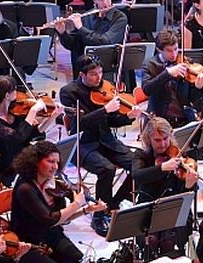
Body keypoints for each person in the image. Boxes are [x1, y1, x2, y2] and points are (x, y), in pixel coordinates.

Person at [9, 141, 117, 263]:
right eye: (50, 161)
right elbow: (49, 219)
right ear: (35, 162)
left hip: (50, 236)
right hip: (26, 245)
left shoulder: (49, 185)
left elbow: (60, 220)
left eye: (57, 162)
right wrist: (76, 204)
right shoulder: (25, 189)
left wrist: (85, 209)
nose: (55, 167)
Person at [60, 55, 143, 236]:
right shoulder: (68, 92)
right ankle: (99, 215)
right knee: (107, 169)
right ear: (82, 74)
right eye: (93, 74)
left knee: (138, 163)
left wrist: (127, 117)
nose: (99, 78)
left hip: (106, 140)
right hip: (82, 143)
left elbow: (112, 121)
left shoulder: (105, 89)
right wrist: (104, 110)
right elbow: (79, 124)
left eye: (100, 73)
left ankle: (113, 203)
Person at [130, 116, 199, 263]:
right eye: (157, 140)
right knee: (151, 240)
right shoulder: (141, 156)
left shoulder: (180, 156)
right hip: (148, 208)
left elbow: (184, 194)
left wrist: (188, 185)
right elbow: (137, 176)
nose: (162, 144)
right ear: (148, 139)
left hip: (173, 209)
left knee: (168, 240)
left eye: (166, 139)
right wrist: (161, 168)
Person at [0, 75, 63, 187]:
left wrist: (53, 116)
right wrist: (33, 111)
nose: (17, 93)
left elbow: (33, 134)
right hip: (10, 166)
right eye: (15, 90)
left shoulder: (14, 109)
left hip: (28, 156)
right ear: (7, 95)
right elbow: (17, 139)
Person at [142, 28, 203, 129]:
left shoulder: (185, 62)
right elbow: (147, 89)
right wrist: (167, 73)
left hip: (184, 119)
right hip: (158, 121)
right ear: (159, 49)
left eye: (176, 49)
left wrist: (198, 87)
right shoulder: (150, 64)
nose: (174, 54)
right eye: (169, 51)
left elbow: (193, 100)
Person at [54, 0, 128, 79]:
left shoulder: (120, 18)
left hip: (108, 69)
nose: (105, 3)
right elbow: (73, 45)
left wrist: (81, 28)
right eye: (101, 0)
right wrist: (62, 32)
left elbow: (105, 41)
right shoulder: (87, 16)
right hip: (85, 69)